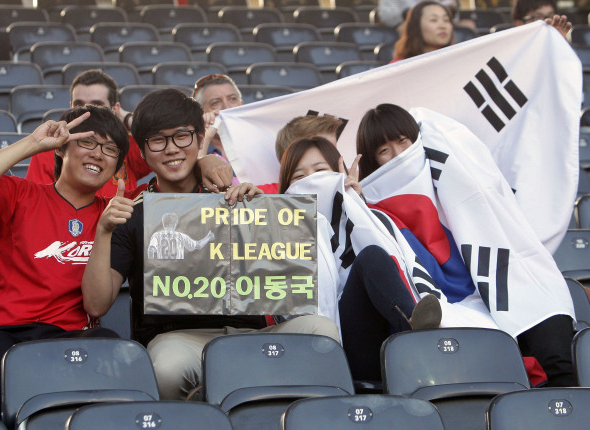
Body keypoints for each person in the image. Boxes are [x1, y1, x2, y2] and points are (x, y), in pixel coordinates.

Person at [81, 89, 341, 400]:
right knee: (166, 366)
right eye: (157, 141)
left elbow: (279, 280)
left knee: (321, 331)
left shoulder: (236, 198)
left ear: (199, 137)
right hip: (179, 339)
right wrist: (104, 231)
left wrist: (261, 217)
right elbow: (96, 305)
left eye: (182, 137)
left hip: (253, 333)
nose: (171, 149)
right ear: (142, 149)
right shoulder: (132, 213)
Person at [356, 103, 576, 387]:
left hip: (509, 281)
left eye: (403, 141)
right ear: (373, 161)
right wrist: (357, 201)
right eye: (384, 151)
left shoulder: (454, 169)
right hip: (451, 304)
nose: (399, 155)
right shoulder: (370, 206)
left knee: (559, 357)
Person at [0, 105, 128, 416]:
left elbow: (96, 306)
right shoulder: (21, 194)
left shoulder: (114, 215)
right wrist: (32, 143)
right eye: (87, 142)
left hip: (72, 336)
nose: (98, 154)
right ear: (61, 149)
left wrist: (205, 161)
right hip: (6, 333)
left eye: (110, 148)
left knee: (108, 342)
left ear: (118, 166)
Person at [278, 136, 441, 382]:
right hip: (324, 354)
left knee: (372, 256)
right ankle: (422, 341)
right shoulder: (276, 233)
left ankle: (415, 326)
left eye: (321, 171)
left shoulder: (375, 220)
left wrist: (357, 206)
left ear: (339, 175)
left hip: (379, 342)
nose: (311, 180)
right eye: (299, 177)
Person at [25, 69, 151, 198]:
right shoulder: (49, 149)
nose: (87, 113)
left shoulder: (126, 146)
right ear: (70, 107)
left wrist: (125, 117)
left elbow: (163, 135)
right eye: (79, 105)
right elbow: (39, 202)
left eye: (97, 105)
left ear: (115, 109)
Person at [192, 74, 243, 160]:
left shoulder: (258, 142)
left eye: (232, 99)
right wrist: (206, 136)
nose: (226, 108)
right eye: (215, 103)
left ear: (242, 105)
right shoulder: (189, 146)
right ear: (200, 113)